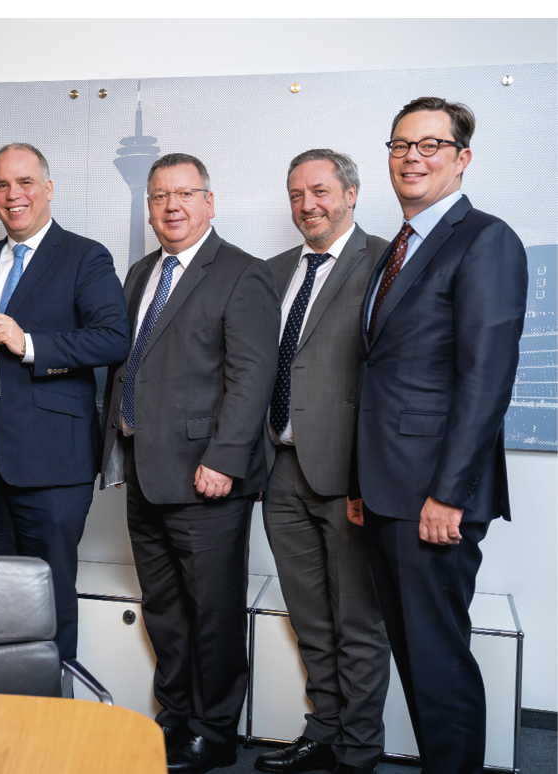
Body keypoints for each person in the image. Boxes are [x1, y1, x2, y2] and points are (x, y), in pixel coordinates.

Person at [351, 97, 527, 774]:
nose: (412, 158)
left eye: (430, 145)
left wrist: (449, 495)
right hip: (388, 489)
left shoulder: (485, 240)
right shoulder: (396, 247)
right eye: (400, 145)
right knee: (414, 656)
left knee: (437, 663)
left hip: (435, 496)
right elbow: (378, 373)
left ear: (462, 158)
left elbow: (485, 381)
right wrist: (359, 483)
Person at [100, 153, 279, 773]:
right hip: (144, 471)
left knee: (213, 614)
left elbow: (251, 377)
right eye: (159, 196)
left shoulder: (243, 273)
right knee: (165, 610)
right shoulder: (140, 272)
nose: (171, 206)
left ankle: (215, 730)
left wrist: (224, 459)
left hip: (207, 477)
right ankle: (175, 714)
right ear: (149, 207)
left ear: (209, 201)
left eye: (184, 194)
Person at [0, 142, 128, 663]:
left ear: (48, 189)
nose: (14, 195)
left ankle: (52, 705)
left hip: (53, 463)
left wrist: (28, 343)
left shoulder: (85, 256)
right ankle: (4, 704)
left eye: (25, 182)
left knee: (49, 598)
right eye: (2, 185)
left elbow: (113, 338)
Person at [254, 150, 390, 774]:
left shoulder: (385, 262)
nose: (307, 205)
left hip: (349, 474)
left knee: (357, 622)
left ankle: (358, 751)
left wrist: (371, 476)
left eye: (320, 191)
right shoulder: (273, 272)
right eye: (296, 194)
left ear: (351, 194)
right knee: (310, 618)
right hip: (279, 471)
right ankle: (324, 732)